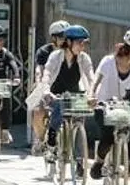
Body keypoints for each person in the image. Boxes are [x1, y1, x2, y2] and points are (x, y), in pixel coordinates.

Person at [89, 28, 130, 180]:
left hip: (125, 107)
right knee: (108, 137)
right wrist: (91, 95)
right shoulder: (108, 61)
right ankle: (99, 163)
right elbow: (96, 80)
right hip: (104, 105)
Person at [32, 24, 92, 161]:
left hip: (75, 94)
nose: (82, 47)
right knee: (51, 108)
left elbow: (91, 77)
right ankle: (50, 140)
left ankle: (79, 159)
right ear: (69, 42)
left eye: (84, 43)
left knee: (79, 120)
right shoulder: (54, 55)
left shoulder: (84, 58)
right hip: (55, 92)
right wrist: (45, 90)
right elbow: (45, 73)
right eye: (79, 43)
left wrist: (92, 95)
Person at [26, 19, 71, 154]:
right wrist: (40, 83)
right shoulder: (44, 51)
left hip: (66, 87)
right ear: (54, 38)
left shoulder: (72, 51)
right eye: (61, 37)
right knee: (38, 111)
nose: (64, 40)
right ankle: (40, 139)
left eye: (67, 37)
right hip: (47, 86)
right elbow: (39, 69)